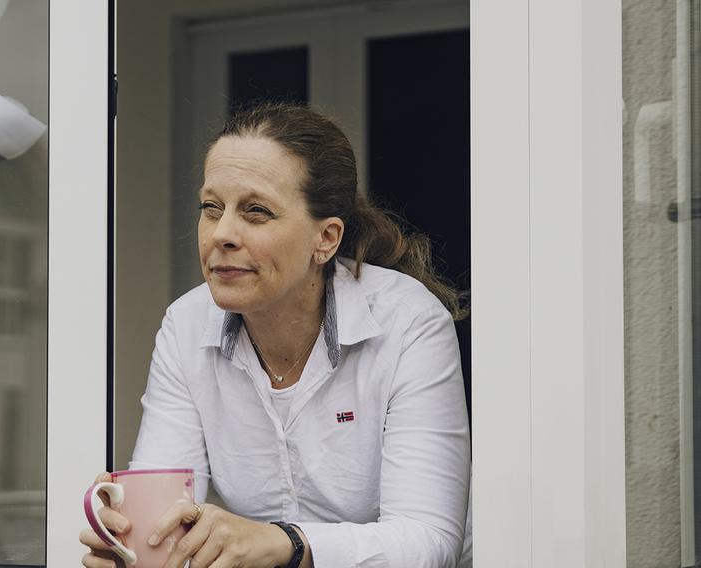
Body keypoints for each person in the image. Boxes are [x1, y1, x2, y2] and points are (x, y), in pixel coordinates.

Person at [80, 102, 471, 568]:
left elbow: (428, 540)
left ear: (325, 239)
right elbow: (164, 515)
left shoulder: (408, 321)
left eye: (257, 211)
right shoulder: (185, 326)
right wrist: (135, 548)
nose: (221, 233)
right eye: (211, 208)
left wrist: (287, 543)